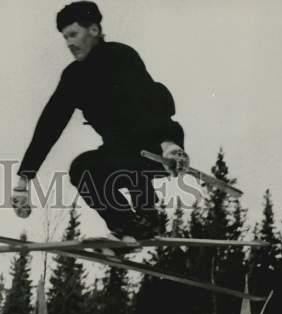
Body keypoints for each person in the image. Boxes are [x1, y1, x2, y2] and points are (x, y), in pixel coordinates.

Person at [11, 1, 189, 242]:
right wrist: (24, 180)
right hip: (118, 153)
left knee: (132, 143)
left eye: (73, 34)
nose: (70, 44)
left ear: (93, 30)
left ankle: (147, 216)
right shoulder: (73, 77)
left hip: (155, 148)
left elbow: (153, 100)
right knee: (82, 168)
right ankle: (127, 226)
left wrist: (169, 144)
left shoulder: (121, 56)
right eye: (65, 38)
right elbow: (49, 126)